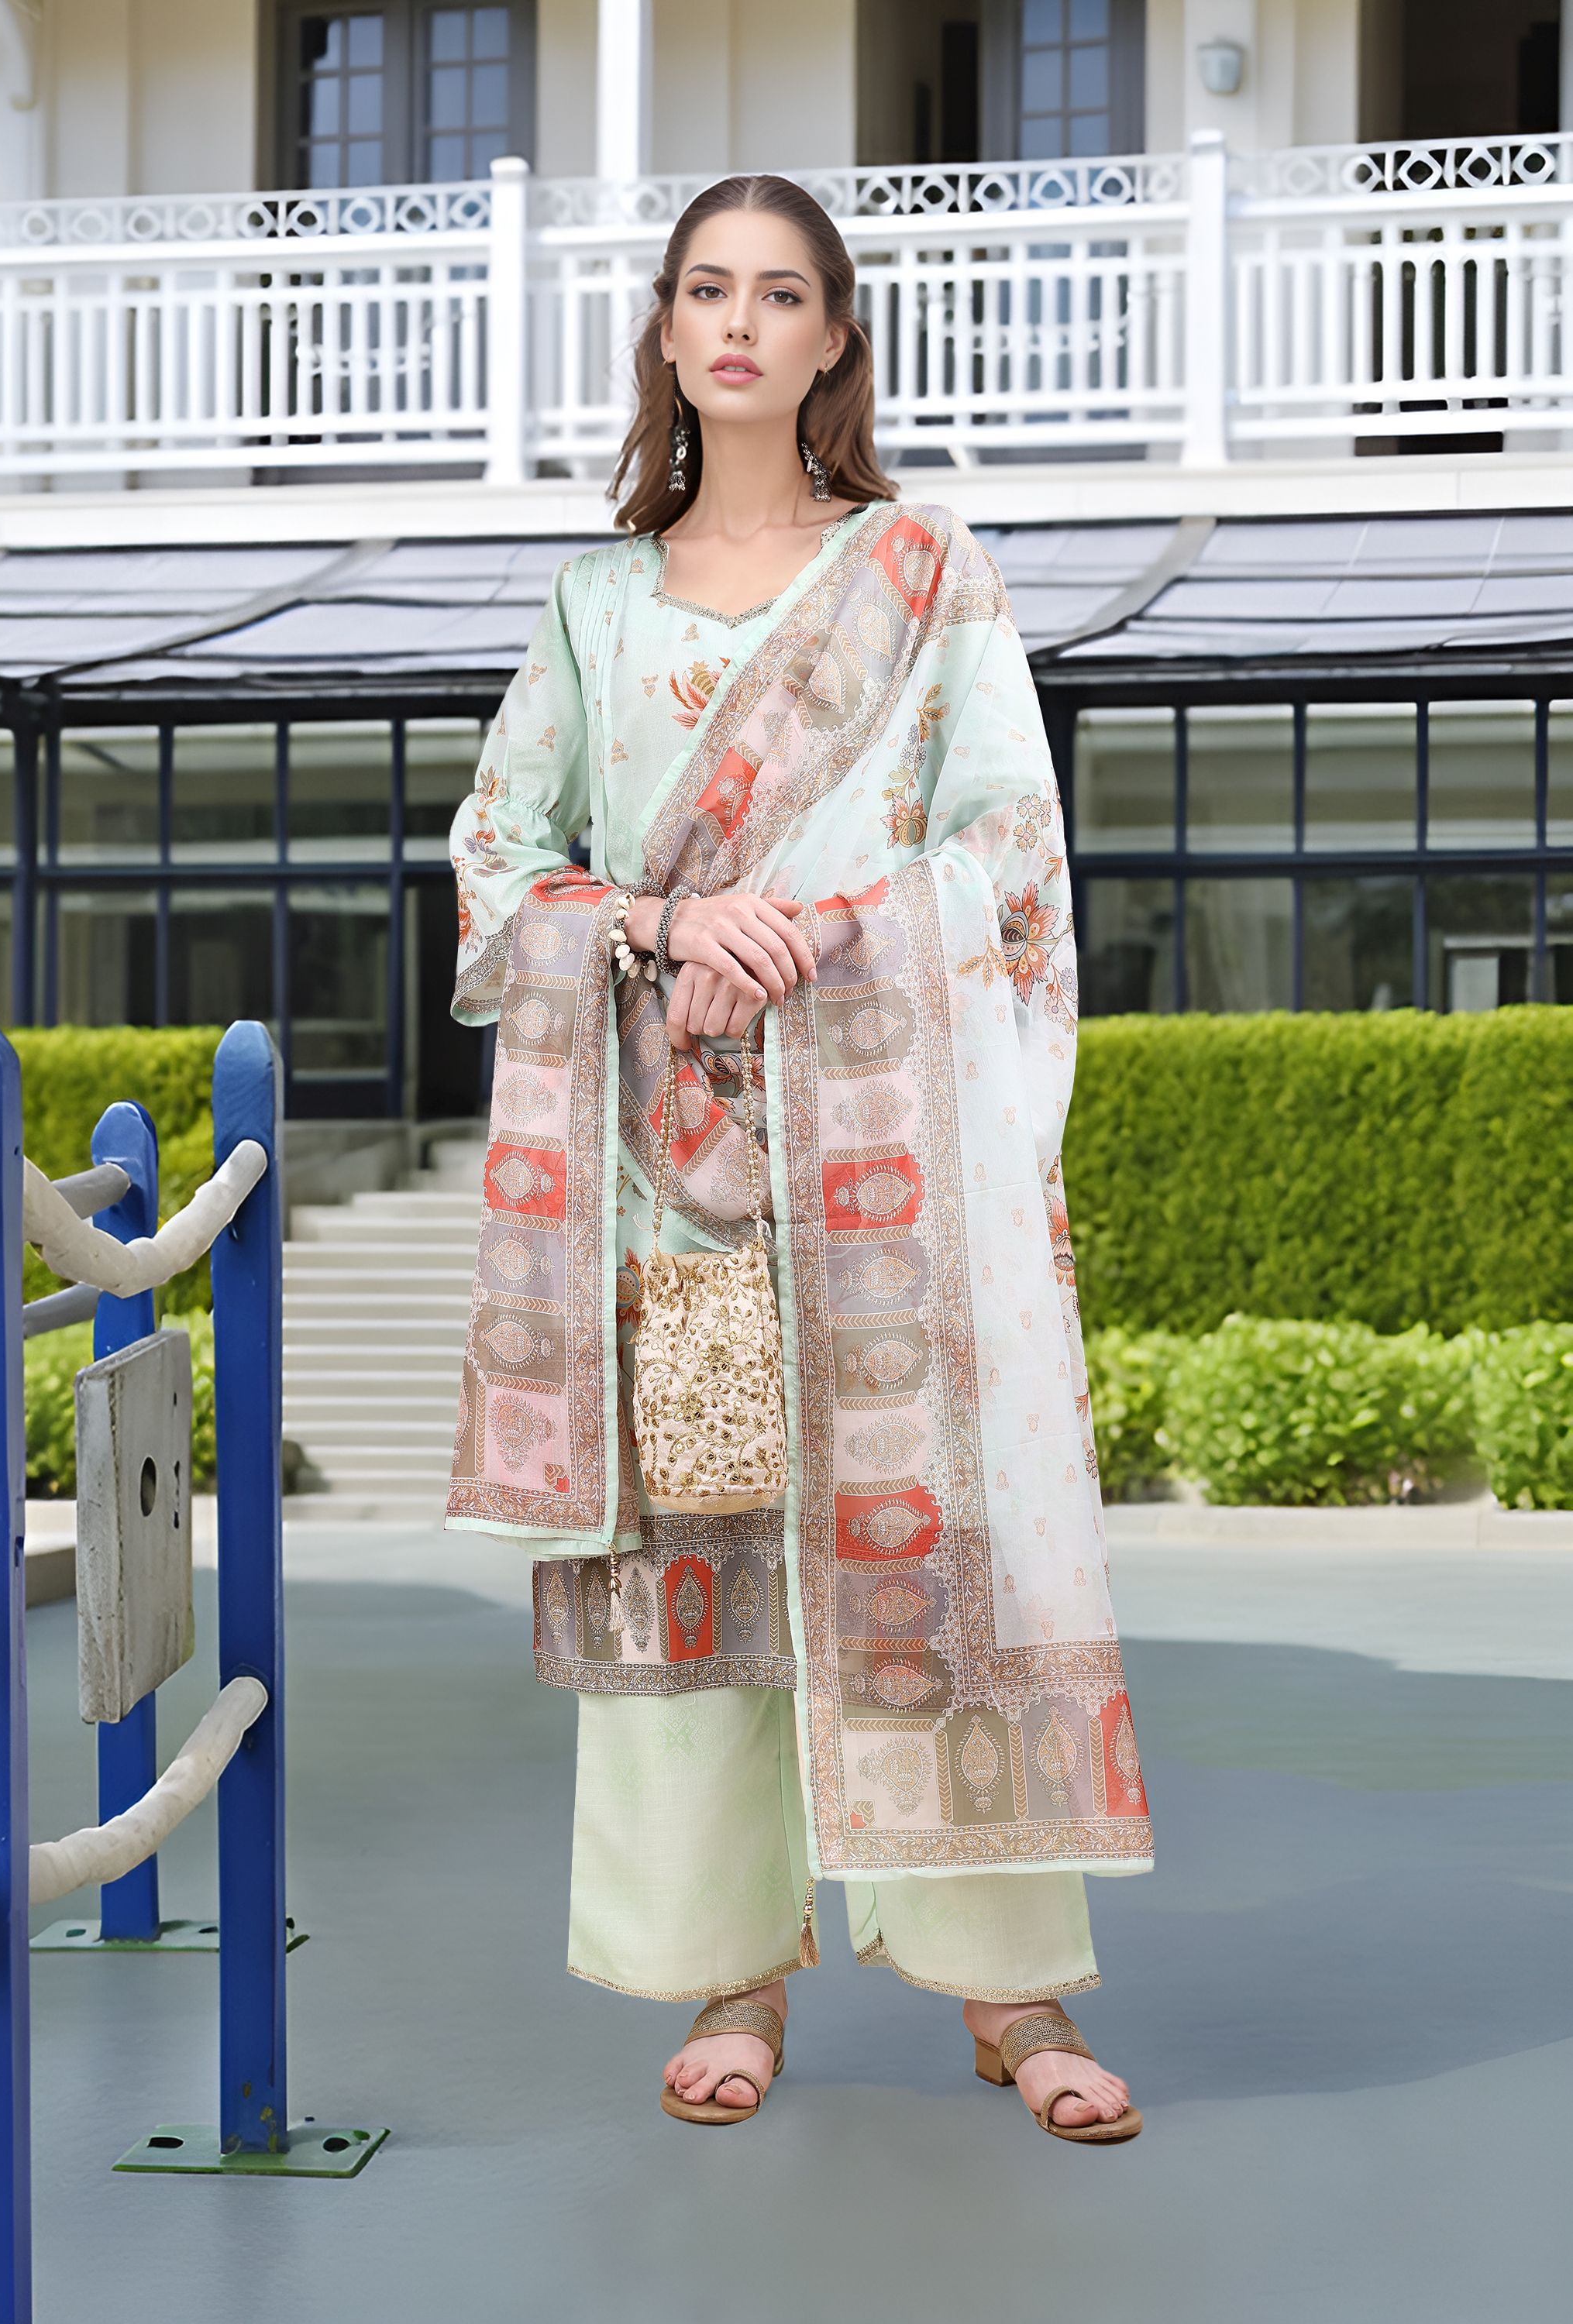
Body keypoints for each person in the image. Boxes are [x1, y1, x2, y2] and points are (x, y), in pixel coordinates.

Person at [446, 174, 1149, 2144]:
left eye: (779, 293)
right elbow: (497, 861)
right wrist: (669, 921)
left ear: (835, 334)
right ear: (668, 333)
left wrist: (821, 933)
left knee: (935, 1556)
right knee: (711, 1557)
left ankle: (1013, 1991)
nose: (740, 323)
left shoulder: (923, 574)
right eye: (706, 290)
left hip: (888, 1170)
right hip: (674, 1170)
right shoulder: (597, 605)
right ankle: (730, 1970)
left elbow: (1009, 854)